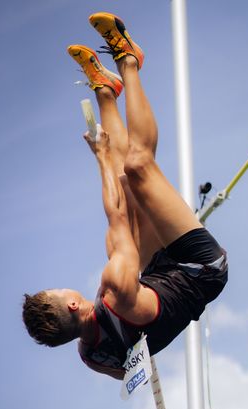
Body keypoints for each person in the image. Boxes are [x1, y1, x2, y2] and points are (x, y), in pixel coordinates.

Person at [22, 12, 228, 380]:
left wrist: (144, 342)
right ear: (71, 303)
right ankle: (129, 59)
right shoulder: (114, 288)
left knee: (127, 193)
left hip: (157, 277)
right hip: (201, 270)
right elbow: (114, 213)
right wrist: (100, 156)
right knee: (136, 169)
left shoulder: (93, 356)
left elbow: (131, 374)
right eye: (58, 289)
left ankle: (105, 90)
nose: (64, 285)